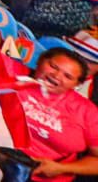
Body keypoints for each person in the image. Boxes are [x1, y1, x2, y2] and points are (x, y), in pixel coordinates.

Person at [16, 47, 98, 180]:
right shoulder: (14, 76)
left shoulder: (88, 112)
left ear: (76, 84)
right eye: (53, 66)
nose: (56, 76)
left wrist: (61, 168)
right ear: (40, 62)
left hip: (42, 175)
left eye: (68, 76)